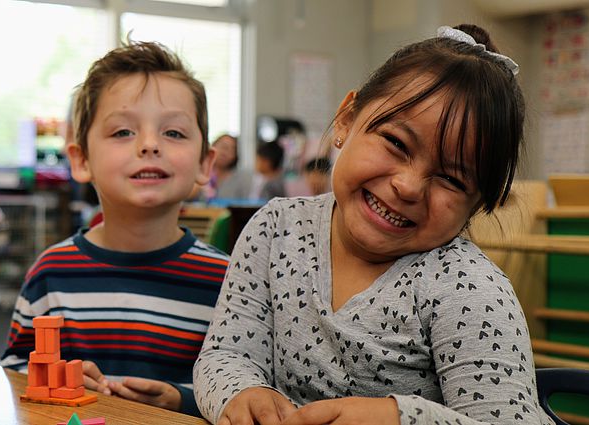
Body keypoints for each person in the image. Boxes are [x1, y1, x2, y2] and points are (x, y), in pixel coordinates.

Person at [194, 24, 554, 425]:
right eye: (396, 144)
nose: (408, 186)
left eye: (452, 179)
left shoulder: (468, 288)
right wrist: (240, 392)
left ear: (478, 204)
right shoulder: (275, 228)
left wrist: (402, 418)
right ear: (347, 119)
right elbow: (227, 354)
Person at [0, 41, 229, 417]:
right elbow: (12, 376)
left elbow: (243, 389)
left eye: (173, 133)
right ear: (81, 159)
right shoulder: (52, 274)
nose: (150, 145)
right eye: (123, 132)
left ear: (205, 163)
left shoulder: (227, 282)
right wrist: (57, 380)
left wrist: (180, 398)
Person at [204, 134, 253, 201]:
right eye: (224, 147)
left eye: (232, 150)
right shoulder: (201, 172)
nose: (225, 153)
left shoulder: (242, 178)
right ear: (212, 147)